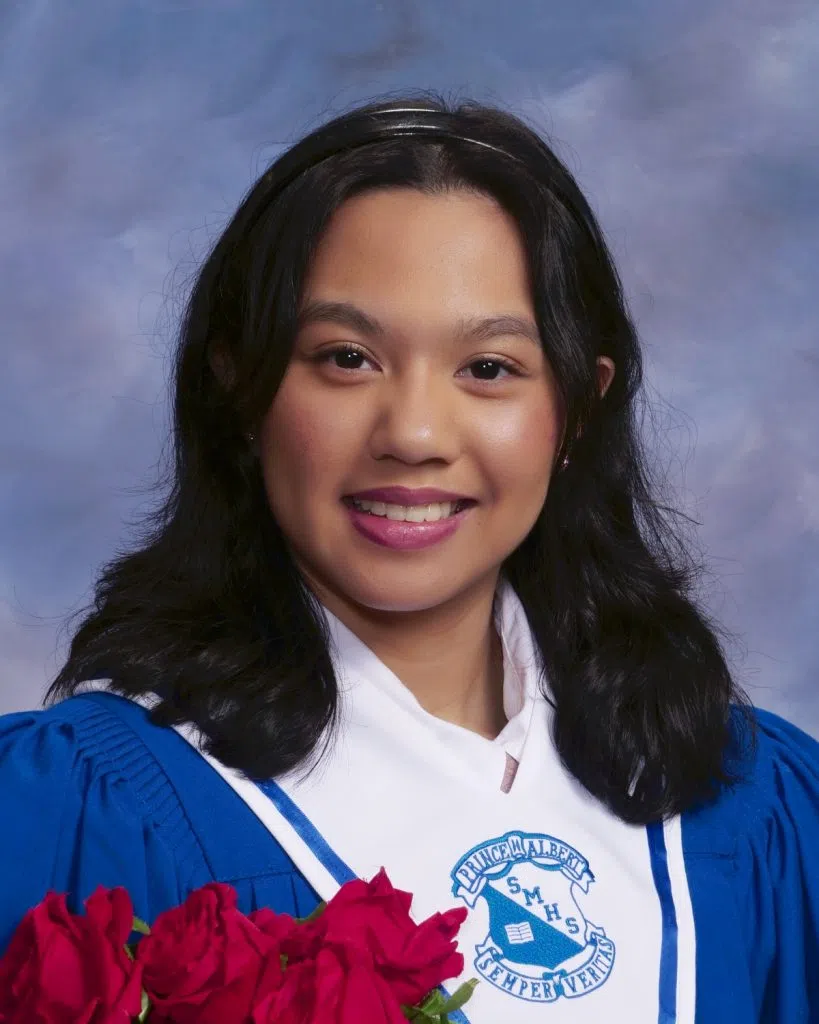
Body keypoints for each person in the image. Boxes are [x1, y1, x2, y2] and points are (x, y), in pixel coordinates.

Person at [0, 96, 816, 1023]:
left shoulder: (749, 808)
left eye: (488, 368)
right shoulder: (85, 812)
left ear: (577, 413)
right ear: (240, 389)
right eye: (347, 358)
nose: (415, 435)